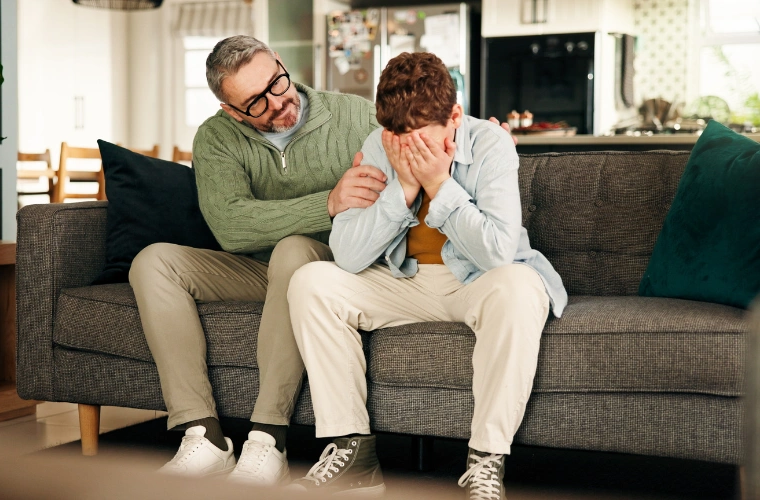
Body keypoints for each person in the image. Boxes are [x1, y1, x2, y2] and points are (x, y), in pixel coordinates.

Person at [285, 52, 568, 499]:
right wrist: (402, 190)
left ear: (454, 117)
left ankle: (485, 461)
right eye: (398, 137)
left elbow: (497, 252)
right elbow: (349, 255)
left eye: (419, 139)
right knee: (311, 282)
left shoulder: (491, 143)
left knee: (518, 287)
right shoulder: (380, 144)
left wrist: (439, 185)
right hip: (404, 284)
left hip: (478, 283)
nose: (405, 149)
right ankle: (353, 453)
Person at [128, 35, 387, 485]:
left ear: (281, 64)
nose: (276, 102)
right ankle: (202, 435)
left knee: (292, 249)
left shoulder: (357, 115)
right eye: (255, 103)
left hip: (334, 265)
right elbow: (230, 226)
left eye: (277, 83)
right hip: (255, 268)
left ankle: (268, 440)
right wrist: (327, 202)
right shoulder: (215, 137)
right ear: (231, 110)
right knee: (152, 262)